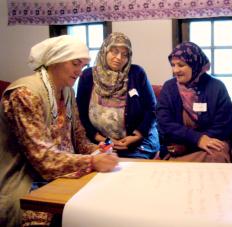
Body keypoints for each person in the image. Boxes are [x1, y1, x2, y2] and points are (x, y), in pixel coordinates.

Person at [0, 35, 118, 227]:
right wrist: (92, 161)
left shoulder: (67, 92)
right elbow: (44, 160)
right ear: (55, 60)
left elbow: (80, 140)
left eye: (83, 66)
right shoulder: (24, 94)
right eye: (75, 64)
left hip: (62, 177)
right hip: (28, 184)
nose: (80, 72)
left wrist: (100, 151)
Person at [76, 32, 160, 159]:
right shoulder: (88, 76)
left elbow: (151, 109)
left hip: (137, 142)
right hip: (99, 143)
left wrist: (136, 135)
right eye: (114, 51)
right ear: (105, 51)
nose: (119, 57)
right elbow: (81, 114)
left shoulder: (137, 74)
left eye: (124, 54)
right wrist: (101, 139)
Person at [157, 41, 232, 162]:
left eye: (181, 65)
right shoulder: (169, 88)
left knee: (216, 156)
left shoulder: (217, 87)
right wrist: (197, 139)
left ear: (195, 65)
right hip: (178, 148)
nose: (175, 70)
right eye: (173, 65)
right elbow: (164, 124)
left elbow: (223, 126)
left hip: (210, 145)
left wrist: (198, 142)